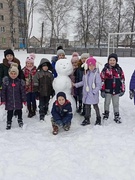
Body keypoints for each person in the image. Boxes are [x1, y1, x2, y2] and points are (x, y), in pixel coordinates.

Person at [73, 56, 102, 126]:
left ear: (95, 66)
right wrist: (75, 85)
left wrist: (94, 92)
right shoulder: (85, 74)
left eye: (93, 65)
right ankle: (87, 119)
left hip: (93, 94)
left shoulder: (97, 75)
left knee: (95, 107)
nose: (91, 67)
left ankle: (98, 118)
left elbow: (99, 85)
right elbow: (83, 82)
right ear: (87, 66)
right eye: (90, 65)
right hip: (86, 94)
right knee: (87, 107)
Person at [100, 53, 125, 123]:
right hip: (108, 90)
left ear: (116, 61)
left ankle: (116, 115)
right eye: (110, 60)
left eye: (114, 60)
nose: (112, 61)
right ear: (108, 61)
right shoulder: (105, 69)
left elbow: (122, 79)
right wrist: (102, 90)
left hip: (116, 90)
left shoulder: (119, 70)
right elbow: (102, 80)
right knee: (107, 102)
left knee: (116, 103)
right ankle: (106, 113)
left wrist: (122, 89)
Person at [1, 63, 26, 130]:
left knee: (19, 111)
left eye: (15, 74)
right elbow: (3, 91)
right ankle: (9, 122)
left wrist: (24, 100)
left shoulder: (19, 82)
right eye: (12, 73)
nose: (13, 75)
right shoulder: (6, 82)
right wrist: (3, 100)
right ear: (9, 73)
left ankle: (20, 120)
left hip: (18, 100)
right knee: (10, 112)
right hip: (9, 100)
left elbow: (22, 91)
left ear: (17, 74)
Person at [22, 53, 37, 118]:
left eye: (31, 63)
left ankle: (34, 110)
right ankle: (29, 111)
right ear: (26, 63)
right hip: (27, 89)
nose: (30, 65)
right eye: (28, 63)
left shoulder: (35, 70)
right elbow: (22, 79)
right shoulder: (24, 70)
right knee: (28, 100)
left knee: (33, 100)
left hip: (33, 88)